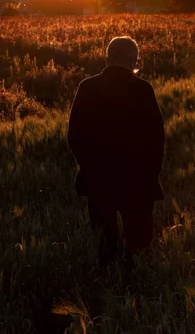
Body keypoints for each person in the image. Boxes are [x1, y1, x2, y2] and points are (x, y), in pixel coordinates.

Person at [68, 36, 165, 268]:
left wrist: (89, 166)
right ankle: (138, 293)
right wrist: (151, 174)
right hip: (137, 179)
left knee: (104, 247)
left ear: (107, 58)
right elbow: (156, 138)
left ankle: (106, 291)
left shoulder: (87, 87)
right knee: (139, 245)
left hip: (98, 179)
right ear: (135, 60)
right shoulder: (143, 89)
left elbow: (75, 135)